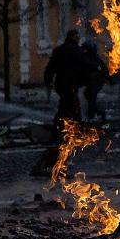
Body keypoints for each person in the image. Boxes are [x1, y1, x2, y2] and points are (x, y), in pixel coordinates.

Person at [33, 29, 86, 176]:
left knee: (66, 104)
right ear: (74, 38)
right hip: (70, 84)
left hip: (61, 84)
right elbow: (84, 66)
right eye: (77, 36)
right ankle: (74, 126)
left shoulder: (59, 50)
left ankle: (62, 125)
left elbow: (51, 67)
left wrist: (48, 80)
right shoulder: (76, 50)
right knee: (72, 105)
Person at [81, 40, 110, 122]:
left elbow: (103, 69)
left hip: (96, 82)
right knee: (88, 95)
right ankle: (97, 113)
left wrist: (108, 79)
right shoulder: (86, 57)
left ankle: (92, 115)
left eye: (85, 49)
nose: (84, 50)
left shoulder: (94, 58)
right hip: (91, 82)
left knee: (91, 97)